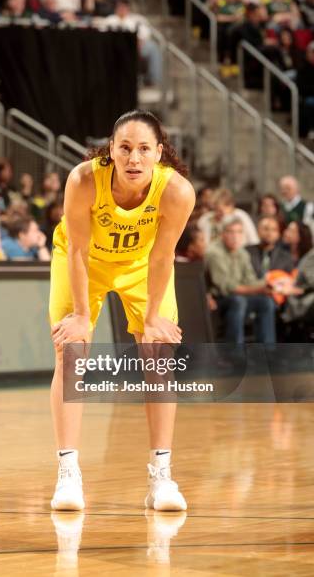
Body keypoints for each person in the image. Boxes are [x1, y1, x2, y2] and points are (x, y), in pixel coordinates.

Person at [49, 110, 195, 512]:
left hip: (141, 265)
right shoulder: (83, 179)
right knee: (72, 351)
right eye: (125, 148)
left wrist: (151, 321)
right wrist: (80, 315)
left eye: (144, 149)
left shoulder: (177, 191)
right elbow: (77, 249)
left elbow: (164, 256)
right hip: (84, 261)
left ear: (158, 153)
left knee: (159, 356)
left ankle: (161, 477)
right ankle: (68, 474)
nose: (134, 158)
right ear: (110, 150)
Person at [205, 217, 276, 343]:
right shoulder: (214, 252)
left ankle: (267, 351)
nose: (235, 236)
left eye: (239, 232)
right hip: (217, 299)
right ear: (223, 234)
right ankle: (235, 353)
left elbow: (250, 280)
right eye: (231, 232)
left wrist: (271, 284)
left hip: (238, 297)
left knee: (266, 302)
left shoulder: (242, 253)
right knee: (238, 301)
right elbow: (227, 287)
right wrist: (259, 288)